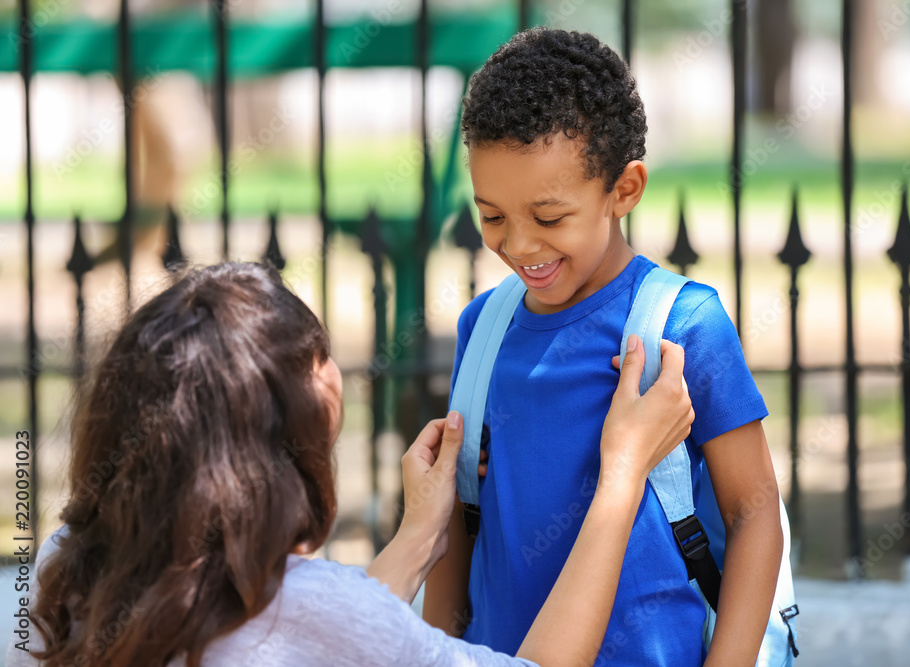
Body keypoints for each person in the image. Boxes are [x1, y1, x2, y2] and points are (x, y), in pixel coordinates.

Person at [5, 261, 694, 667]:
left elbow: (325, 635)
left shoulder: (61, 569)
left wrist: (421, 533)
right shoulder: (307, 604)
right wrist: (622, 473)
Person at [422, 27, 783, 666]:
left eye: (550, 218)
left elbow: (754, 517)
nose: (521, 246)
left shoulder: (683, 326)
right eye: (493, 216)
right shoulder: (482, 330)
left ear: (624, 189)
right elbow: (457, 522)